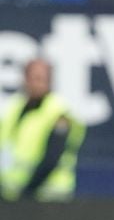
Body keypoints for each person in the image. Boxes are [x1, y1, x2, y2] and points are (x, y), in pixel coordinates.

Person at [0, 59, 86, 202]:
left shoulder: (58, 112)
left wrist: (27, 192)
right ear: (24, 79)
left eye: (42, 79)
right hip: (12, 194)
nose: (37, 84)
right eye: (33, 78)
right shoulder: (13, 109)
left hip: (50, 196)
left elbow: (51, 158)